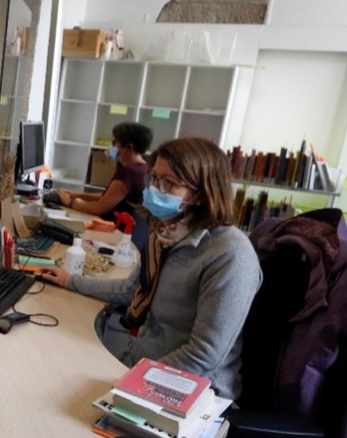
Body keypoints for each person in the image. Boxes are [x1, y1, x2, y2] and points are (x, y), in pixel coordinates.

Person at [39, 137, 262, 400]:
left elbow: (203, 355)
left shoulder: (230, 254)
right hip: (144, 364)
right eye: (154, 178)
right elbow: (131, 289)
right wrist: (70, 280)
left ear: (202, 193)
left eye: (169, 182)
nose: (155, 188)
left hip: (192, 392)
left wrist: (131, 384)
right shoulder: (166, 234)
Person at [56, 121, 152, 220]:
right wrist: (74, 194)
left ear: (129, 147)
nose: (112, 147)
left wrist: (70, 202)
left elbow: (100, 208)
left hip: (115, 229)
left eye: (115, 143)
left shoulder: (129, 172)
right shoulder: (144, 168)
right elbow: (109, 197)